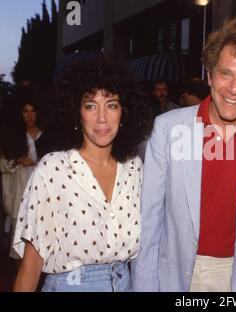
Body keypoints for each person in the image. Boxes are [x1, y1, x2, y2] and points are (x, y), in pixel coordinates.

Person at [131, 19, 236, 292]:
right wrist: (144, 286)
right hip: (178, 275)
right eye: (226, 74)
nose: (234, 89)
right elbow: (150, 219)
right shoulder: (168, 128)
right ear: (209, 75)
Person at [12, 57, 152, 292]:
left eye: (111, 104)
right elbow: (30, 265)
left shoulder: (135, 168)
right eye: (90, 105)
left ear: (124, 112)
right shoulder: (54, 169)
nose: (102, 118)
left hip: (125, 283)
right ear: (76, 113)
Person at [0, 94, 42, 260]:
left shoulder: (46, 135)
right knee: (20, 246)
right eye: (25, 112)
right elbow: (3, 163)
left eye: (33, 111)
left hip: (43, 192)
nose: (30, 116)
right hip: (21, 192)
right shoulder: (14, 137)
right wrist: (18, 160)